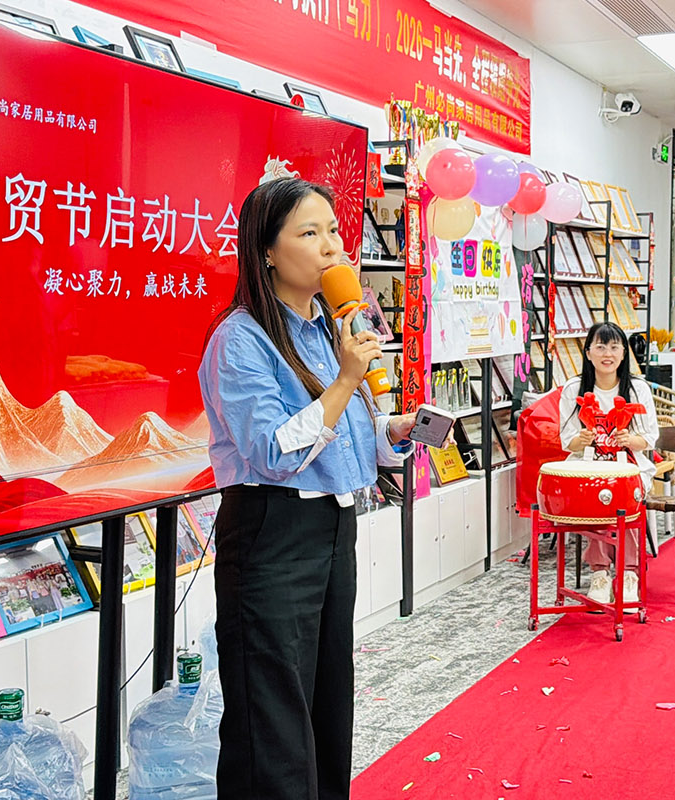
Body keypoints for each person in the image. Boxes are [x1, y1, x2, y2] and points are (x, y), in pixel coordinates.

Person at [200, 177, 417, 800]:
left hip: (332, 531)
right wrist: (346, 381)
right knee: (271, 714)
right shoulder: (240, 338)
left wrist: (391, 430)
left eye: (334, 231)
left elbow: (346, 439)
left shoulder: (329, 329)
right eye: (309, 233)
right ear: (266, 251)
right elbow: (272, 451)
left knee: (327, 700)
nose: (331, 248)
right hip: (271, 533)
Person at [557, 321, 660, 606]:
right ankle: (600, 574)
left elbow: (649, 438)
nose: (607, 354)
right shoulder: (573, 389)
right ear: (588, 352)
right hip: (587, 466)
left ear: (624, 353)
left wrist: (629, 439)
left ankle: (628, 574)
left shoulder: (637, 389)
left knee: (622, 496)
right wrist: (582, 439)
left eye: (615, 347)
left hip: (630, 466)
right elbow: (567, 442)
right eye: (600, 347)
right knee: (596, 494)